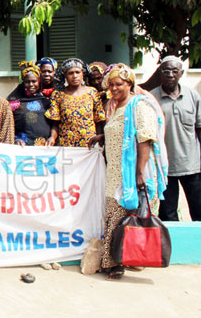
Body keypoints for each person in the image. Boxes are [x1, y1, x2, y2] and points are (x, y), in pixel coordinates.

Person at [86, 63, 168, 280]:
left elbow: (145, 139)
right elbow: (122, 134)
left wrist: (140, 172)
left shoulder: (139, 106)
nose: (113, 89)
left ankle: (120, 263)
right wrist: (102, 137)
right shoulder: (115, 108)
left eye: (119, 84)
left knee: (126, 217)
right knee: (114, 217)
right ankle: (115, 260)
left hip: (131, 174)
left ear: (130, 84)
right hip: (114, 171)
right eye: (111, 85)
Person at [150, 56, 201, 221]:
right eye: (166, 71)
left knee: (198, 210)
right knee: (167, 214)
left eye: (174, 71)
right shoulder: (151, 98)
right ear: (160, 73)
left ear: (181, 73)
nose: (170, 75)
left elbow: (199, 129)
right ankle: (171, 246)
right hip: (164, 167)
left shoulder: (193, 96)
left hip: (192, 166)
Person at [45, 58, 106, 147]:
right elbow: (56, 123)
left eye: (78, 72)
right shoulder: (58, 95)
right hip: (66, 146)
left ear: (83, 73)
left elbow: (98, 120)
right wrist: (52, 137)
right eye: (71, 73)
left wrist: (98, 141)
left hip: (89, 145)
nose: (75, 76)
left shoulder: (92, 92)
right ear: (65, 75)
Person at [7, 61, 52, 146]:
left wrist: (52, 137)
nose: (31, 84)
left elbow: (54, 123)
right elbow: (8, 125)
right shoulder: (14, 102)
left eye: (34, 81)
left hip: (45, 147)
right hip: (23, 147)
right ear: (23, 83)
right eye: (27, 82)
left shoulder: (45, 102)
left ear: (39, 82)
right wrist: (15, 139)